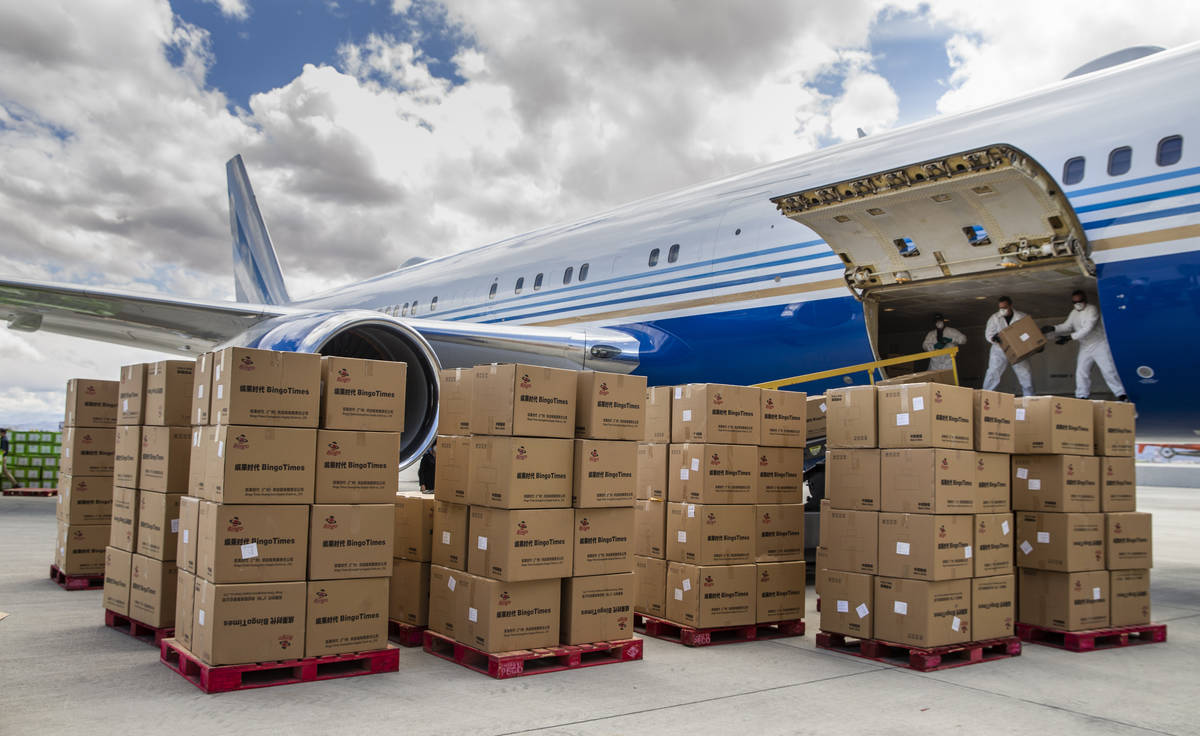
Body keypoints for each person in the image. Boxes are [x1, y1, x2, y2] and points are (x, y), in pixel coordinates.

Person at [1040, 290, 1128, 400]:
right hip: (1085, 346)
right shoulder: (1074, 313)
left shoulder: (1092, 309)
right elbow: (1067, 326)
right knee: (1081, 371)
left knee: (1108, 370)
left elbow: (1087, 329)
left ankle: (1121, 394)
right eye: (1075, 302)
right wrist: (1054, 328)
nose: (1078, 303)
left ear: (1085, 300)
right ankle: (1082, 396)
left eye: (1080, 301)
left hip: (1099, 344)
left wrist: (1069, 337)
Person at [983, 296, 1035, 396]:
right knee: (993, 372)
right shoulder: (994, 318)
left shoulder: (1021, 316)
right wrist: (993, 338)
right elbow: (988, 334)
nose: (1002, 310)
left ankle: (1030, 398)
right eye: (1000, 308)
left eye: (1005, 307)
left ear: (1011, 305)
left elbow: (1030, 332)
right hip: (999, 350)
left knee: (1025, 374)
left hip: (1018, 349)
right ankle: (986, 397)